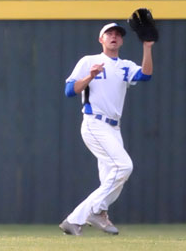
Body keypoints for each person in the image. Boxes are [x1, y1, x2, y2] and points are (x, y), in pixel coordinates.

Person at [59, 22, 154, 236]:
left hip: (114, 128)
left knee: (113, 176)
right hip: (94, 123)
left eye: (118, 34)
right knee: (124, 167)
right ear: (101, 39)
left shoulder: (126, 65)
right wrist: (90, 76)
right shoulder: (89, 61)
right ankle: (81, 215)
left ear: (121, 40)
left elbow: (146, 75)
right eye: (109, 33)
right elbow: (69, 91)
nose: (114, 36)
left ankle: (97, 211)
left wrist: (147, 47)